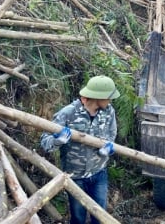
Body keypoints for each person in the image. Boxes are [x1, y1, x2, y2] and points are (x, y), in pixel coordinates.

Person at [40, 75, 120, 224]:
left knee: (100, 215)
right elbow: (45, 142)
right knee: (78, 217)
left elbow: (111, 134)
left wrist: (107, 148)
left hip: (99, 172)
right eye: (108, 97)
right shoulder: (68, 113)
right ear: (97, 97)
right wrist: (57, 141)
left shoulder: (109, 111)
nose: (110, 101)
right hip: (75, 176)